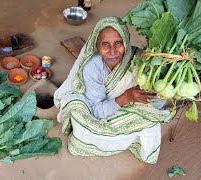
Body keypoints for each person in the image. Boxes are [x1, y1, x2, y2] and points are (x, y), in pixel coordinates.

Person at [54, 16, 174, 164]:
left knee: (151, 123)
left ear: (126, 41)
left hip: (129, 107)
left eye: (118, 43)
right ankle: (120, 137)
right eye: (105, 44)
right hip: (105, 108)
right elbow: (95, 111)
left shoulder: (140, 60)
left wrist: (154, 95)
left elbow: (157, 100)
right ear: (97, 46)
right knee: (79, 117)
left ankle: (117, 137)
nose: (112, 51)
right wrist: (126, 97)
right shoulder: (92, 66)